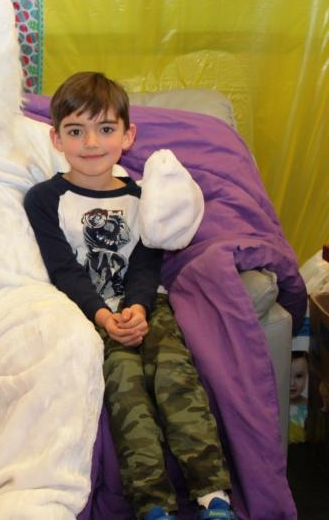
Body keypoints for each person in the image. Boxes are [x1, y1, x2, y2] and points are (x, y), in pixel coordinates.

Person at [24, 72, 236, 520]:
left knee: (175, 377)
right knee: (125, 388)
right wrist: (104, 316)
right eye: (75, 131)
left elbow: (146, 261)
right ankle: (153, 506)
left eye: (105, 129)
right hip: (87, 316)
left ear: (127, 135)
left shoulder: (143, 196)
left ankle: (213, 495)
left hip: (146, 306)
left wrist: (137, 307)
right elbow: (62, 269)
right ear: (56, 138)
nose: (92, 143)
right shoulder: (44, 199)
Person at [289, 351, 309, 443]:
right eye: (287, 376)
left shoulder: (312, 408)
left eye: (299, 376)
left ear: (307, 376)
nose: (292, 383)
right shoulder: (272, 408)